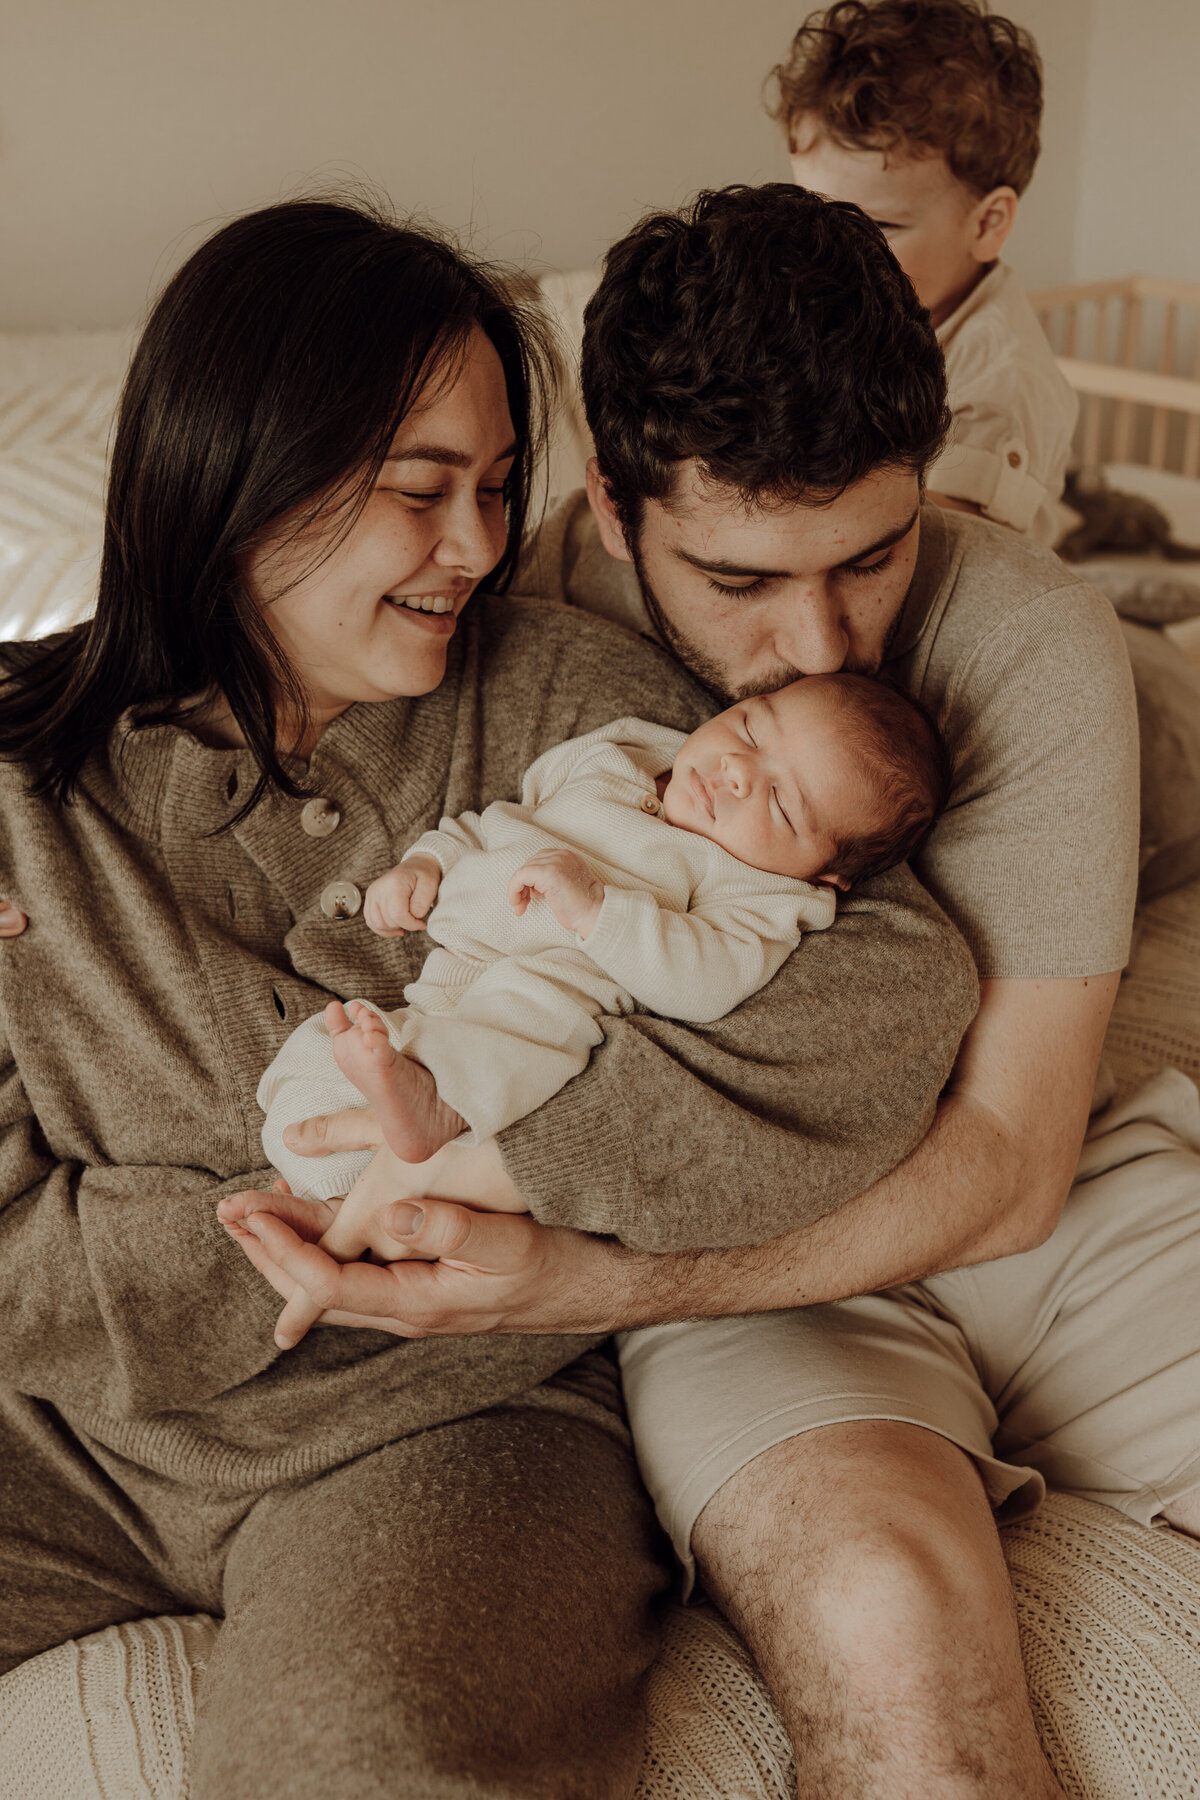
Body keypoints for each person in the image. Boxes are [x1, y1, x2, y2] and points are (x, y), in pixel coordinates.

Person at [229, 185, 1200, 1800]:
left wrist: (574, 1285)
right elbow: (232, 639)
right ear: (611, 509)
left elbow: (1017, 1166)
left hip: (1039, 1183)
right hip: (758, 1283)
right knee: (891, 1634)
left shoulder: (1029, 636)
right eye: (743, 580)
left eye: (871, 556)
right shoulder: (501, 620)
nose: (821, 639)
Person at [0, 194, 974, 1799]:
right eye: (423, 494)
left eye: (501, 488)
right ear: (243, 478)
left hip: (448, 1420)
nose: (478, 548)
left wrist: (494, 1169)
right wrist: (288, 1227)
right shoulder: (32, 787)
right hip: (65, 1436)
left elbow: (886, 989)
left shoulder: (566, 703)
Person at [255, 673, 946, 1331]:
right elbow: (503, 818)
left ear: (824, 872)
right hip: (450, 973)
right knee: (317, 1067)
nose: (737, 769)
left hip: (556, 989)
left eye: (778, 800)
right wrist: (426, 864)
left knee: (514, 1029)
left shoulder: (763, 891)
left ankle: (434, 1105)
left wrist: (597, 912)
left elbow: (704, 983)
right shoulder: (623, 750)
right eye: (750, 727)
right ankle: (329, 1196)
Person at [771, 0, 1077, 544]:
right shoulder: (855, 311)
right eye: (811, 211)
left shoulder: (1001, 386)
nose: (828, 250)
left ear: (987, 224)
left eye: (878, 225)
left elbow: (942, 556)